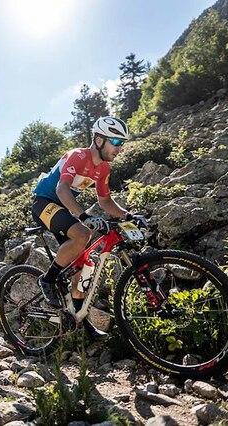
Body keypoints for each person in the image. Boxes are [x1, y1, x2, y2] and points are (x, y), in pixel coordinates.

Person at [31, 116, 147, 336]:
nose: (119, 148)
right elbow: (61, 189)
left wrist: (129, 215)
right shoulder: (78, 156)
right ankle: (47, 279)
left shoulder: (103, 168)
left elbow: (105, 201)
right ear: (99, 140)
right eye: (115, 142)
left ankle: (81, 322)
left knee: (85, 266)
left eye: (122, 143)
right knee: (83, 233)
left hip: (63, 208)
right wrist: (84, 216)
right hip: (43, 203)